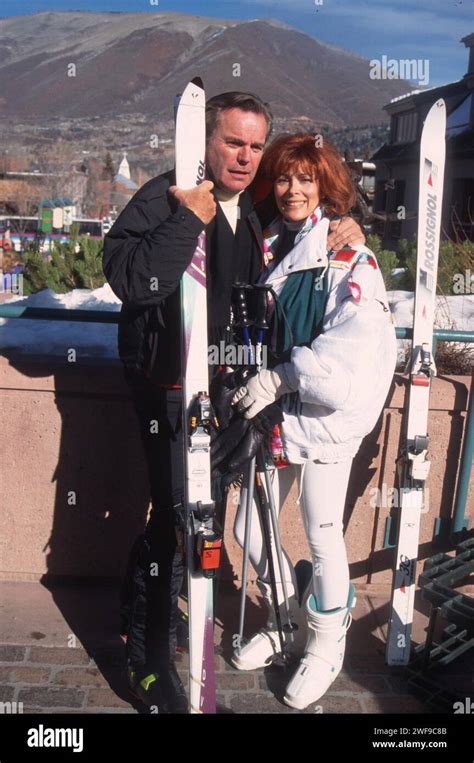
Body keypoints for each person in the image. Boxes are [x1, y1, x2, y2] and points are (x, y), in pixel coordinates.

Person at [102, 92, 365, 713]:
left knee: (201, 517)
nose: (245, 158)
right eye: (232, 143)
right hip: (168, 390)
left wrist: (349, 224)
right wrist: (187, 218)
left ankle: (138, 603)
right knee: (177, 524)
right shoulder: (166, 194)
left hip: (226, 394)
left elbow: (307, 216)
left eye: (255, 147)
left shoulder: (253, 208)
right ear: (205, 142)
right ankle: (146, 659)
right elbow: (133, 280)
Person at [229, 133, 397, 710]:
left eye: (306, 179)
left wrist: (282, 378)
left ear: (325, 185)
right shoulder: (273, 241)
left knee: (323, 532)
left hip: (323, 418)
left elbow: (356, 347)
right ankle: (284, 618)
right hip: (277, 415)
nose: (293, 189)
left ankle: (325, 645)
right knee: (249, 526)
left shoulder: (350, 254)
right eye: (283, 178)